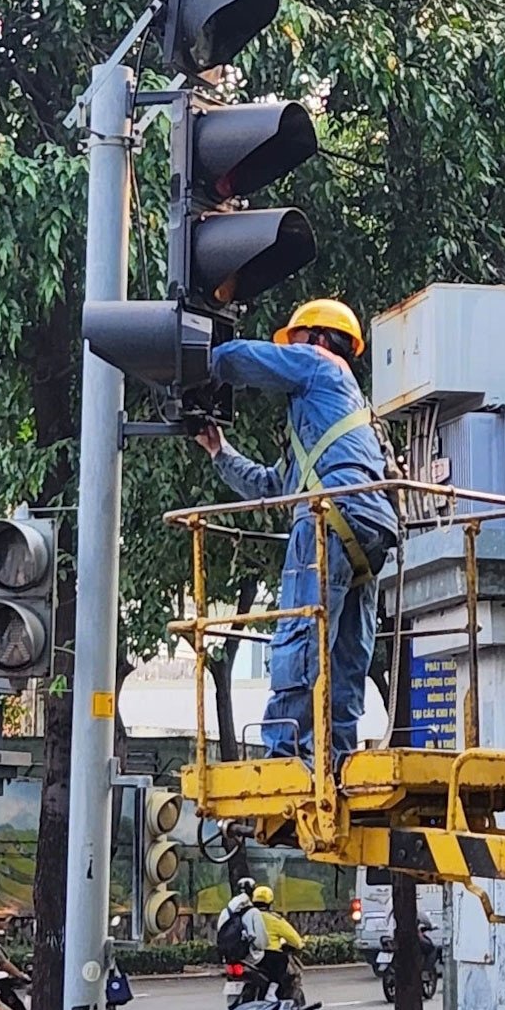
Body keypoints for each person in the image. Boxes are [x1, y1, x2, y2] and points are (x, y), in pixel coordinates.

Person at [197, 299, 399, 767]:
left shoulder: (318, 365)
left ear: (319, 339)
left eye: (297, 340)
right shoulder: (340, 421)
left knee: (301, 634)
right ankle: (337, 760)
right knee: (348, 653)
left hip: (331, 514)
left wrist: (192, 355)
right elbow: (272, 486)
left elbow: (238, 360)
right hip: (372, 529)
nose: (292, 349)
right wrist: (219, 451)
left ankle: (282, 754)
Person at [251, 886, 305, 1004]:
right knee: (282, 960)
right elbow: (296, 940)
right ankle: (272, 990)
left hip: (247, 956)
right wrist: (299, 944)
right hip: (268, 958)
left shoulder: (246, 917)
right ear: (270, 902)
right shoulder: (274, 919)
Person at [216, 878, 266, 968]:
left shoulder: (226, 911)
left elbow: (220, 932)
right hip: (251, 958)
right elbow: (260, 943)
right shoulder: (254, 912)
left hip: (228, 957)